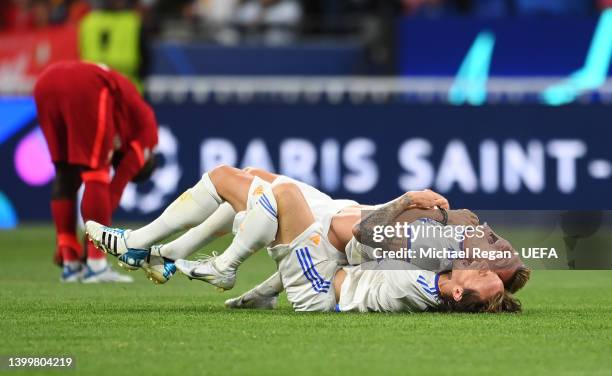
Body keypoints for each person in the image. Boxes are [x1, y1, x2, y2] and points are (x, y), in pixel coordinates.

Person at [86, 166, 518, 313]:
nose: (491, 249)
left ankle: (182, 256)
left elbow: (355, 239)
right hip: (331, 235)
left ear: (459, 289)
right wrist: (264, 291)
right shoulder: (436, 265)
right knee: (249, 182)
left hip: (319, 273)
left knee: (257, 192)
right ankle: (167, 253)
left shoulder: (423, 268)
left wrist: (408, 199)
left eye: (492, 262)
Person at [34, 61, 158, 283]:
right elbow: (115, 188)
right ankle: (96, 264)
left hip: (46, 82)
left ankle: (70, 261)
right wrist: (92, 240)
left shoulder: (125, 122)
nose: (126, 171)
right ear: (145, 162)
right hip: (87, 85)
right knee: (96, 174)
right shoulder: (147, 138)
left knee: (65, 172)